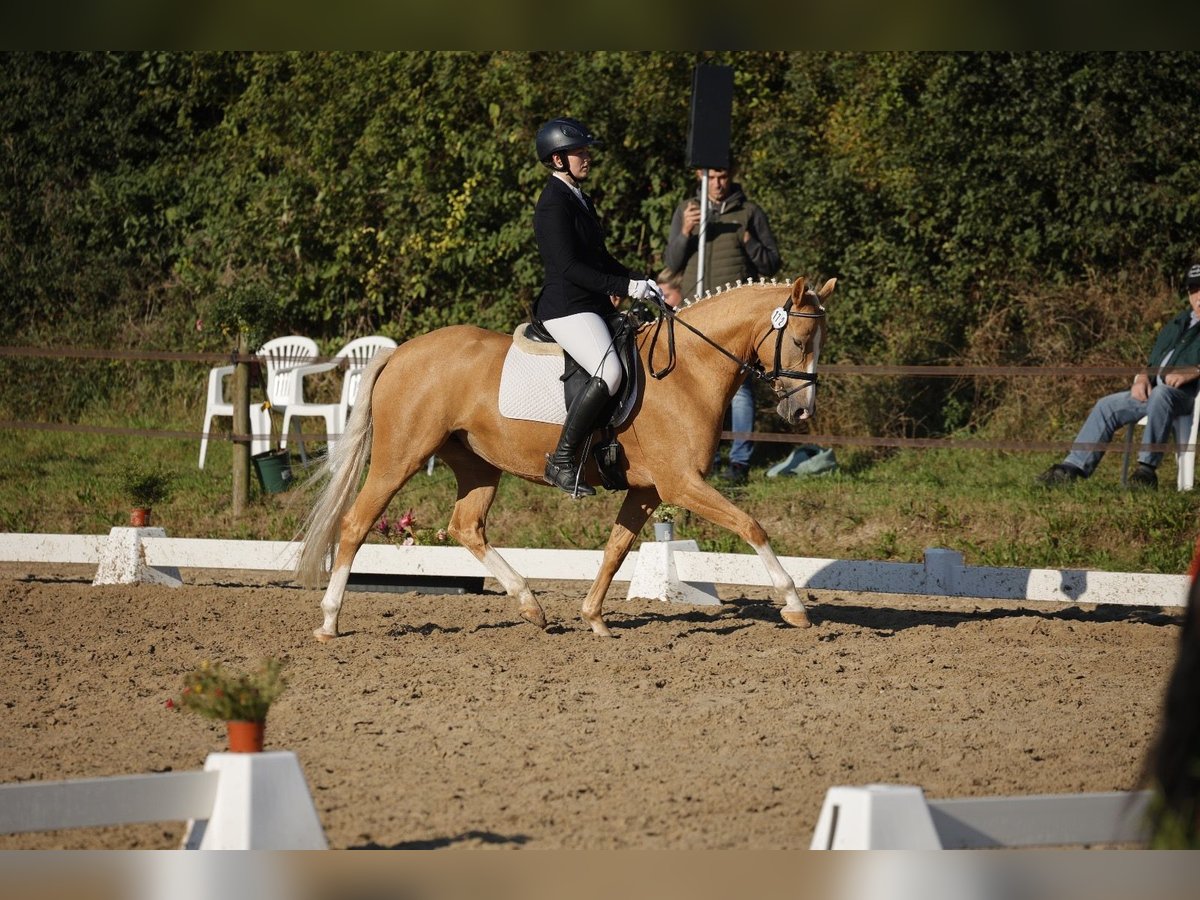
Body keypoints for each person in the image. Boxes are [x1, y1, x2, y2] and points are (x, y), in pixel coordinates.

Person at [532, 116, 661, 498]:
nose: (587, 158)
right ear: (558, 160)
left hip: (588, 302)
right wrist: (623, 286)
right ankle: (563, 460)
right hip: (566, 307)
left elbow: (599, 258)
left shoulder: (580, 198)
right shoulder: (552, 203)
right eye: (580, 153)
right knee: (611, 371)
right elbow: (569, 267)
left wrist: (639, 281)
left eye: (586, 152)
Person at [663, 163, 781, 485]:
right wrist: (685, 233)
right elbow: (671, 263)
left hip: (734, 319)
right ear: (702, 178)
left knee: (740, 391)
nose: (718, 183)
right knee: (695, 391)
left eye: (723, 177)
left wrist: (748, 240)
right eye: (712, 178)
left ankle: (739, 463)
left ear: (731, 176)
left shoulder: (750, 212)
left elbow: (772, 262)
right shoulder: (687, 210)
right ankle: (706, 457)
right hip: (695, 313)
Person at [1037, 263, 1200, 490]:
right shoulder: (1177, 322)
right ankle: (1072, 468)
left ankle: (1146, 471)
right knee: (1106, 405)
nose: (1198, 296)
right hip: (1155, 393)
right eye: (1194, 289)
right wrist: (1143, 378)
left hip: (1185, 397)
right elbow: (1153, 361)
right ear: (1188, 293)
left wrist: (1194, 370)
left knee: (1162, 393)